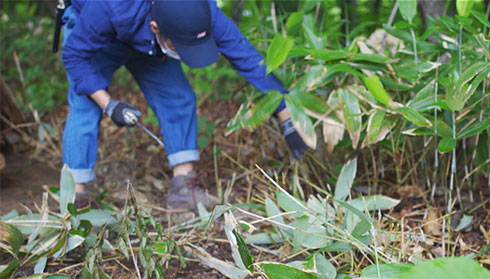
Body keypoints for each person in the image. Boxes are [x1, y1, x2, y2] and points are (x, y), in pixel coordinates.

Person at [60, 0, 308, 211]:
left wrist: (288, 117)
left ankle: (183, 188)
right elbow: (74, 55)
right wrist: (109, 104)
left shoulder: (200, 10)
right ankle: (76, 198)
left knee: (178, 97)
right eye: (185, 47)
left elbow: (247, 57)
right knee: (86, 106)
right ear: (157, 28)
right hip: (97, 36)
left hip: (151, 43)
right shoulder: (110, 8)